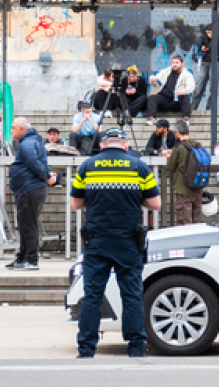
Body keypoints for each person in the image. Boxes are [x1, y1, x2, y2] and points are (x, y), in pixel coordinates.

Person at [72, 126, 161, 358]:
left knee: (92, 295)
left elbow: (76, 204)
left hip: (97, 240)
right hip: (128, 241)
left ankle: (86, 348)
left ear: (102, 145)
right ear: (126, 145)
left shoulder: (87, 166)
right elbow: (156, 204)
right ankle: (135, 347)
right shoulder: (139, 167)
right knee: (131, 295)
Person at [8, 116, 56, 271]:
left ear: (22, 129)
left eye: (13, 127)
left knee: (28, 225)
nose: (11, 131)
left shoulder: (27, 143)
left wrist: (47, 176)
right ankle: (22, 258)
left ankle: (31, 260)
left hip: (29, 188)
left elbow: (33, 162)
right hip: (28, 188)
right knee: (25, 225)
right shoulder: (31, 141)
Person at [166, 121, 202, 227]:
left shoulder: (179, 147)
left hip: (183, 190)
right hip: (198, 189)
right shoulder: (198, 145)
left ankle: (186, 244)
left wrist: (169, 157)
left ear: (177, 132)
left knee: (184, 224)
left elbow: (170, 168)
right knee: (196, 223)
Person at [191, 25, 219, 113]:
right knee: (198, 87)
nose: (208, 35)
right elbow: (198, 51)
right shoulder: (204, 40)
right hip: (204, 63)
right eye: (207, 33)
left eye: (210, 33)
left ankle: (209, 109)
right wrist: (202, 49)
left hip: (214, 64)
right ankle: (192, 108)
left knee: (213, 89)